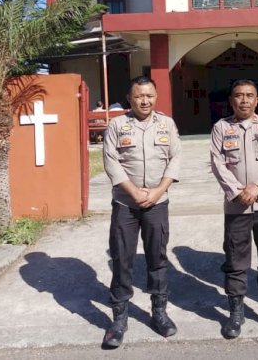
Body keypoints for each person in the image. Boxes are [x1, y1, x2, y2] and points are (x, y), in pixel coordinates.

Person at [102, 76, 181, 347]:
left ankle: (159, 313)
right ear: (130, 98)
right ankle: (119, 319)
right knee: (122, 259)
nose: (144, 101)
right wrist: (134, 192)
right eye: (139, 96)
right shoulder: (117, 125)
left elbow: (176, 158)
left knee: (157, 257)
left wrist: (158, 191)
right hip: (126, 203)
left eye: (149, 95)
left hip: (157, 203)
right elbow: (111, 161)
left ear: (156, 97)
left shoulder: (166, 124)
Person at [210, 79, 258, 339]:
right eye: (239, 95)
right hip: (236, 207)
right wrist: (237, 191)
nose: (244, 100)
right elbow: (218, 163)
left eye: (249, 95)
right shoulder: (221, 127)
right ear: (231, 100)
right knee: (235, 260)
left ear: (257, 100)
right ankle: (236, 311)